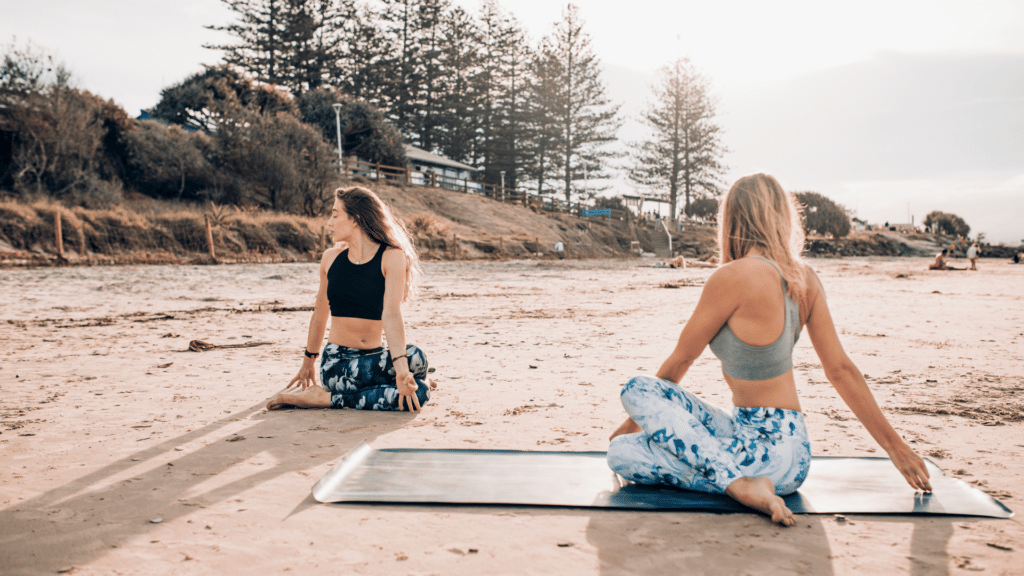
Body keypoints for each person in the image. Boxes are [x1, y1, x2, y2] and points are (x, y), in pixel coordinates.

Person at [606, 174, 931, 526]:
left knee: (630, 419)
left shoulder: (730, 277)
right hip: (795, 456)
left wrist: (636, 421)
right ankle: (739, 478)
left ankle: (738, 485)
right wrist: (896, 449)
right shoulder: (804, 277)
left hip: (758, 458)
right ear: (781, 217)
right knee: (632, 445)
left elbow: (681, 360)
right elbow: (841, 370)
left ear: (732, 219)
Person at [267, 186, 433, 412]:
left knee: (417, 359)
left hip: (373, 358)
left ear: (355, 219)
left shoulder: (392, 257)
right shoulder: (330, 259)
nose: (329, 222)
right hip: (338, 366)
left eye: (335, 215)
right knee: (420, 391)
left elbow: (392, 314)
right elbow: (319, 315)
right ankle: (324, 397)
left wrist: (403, 372)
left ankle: (335, 397)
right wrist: (308, 364)